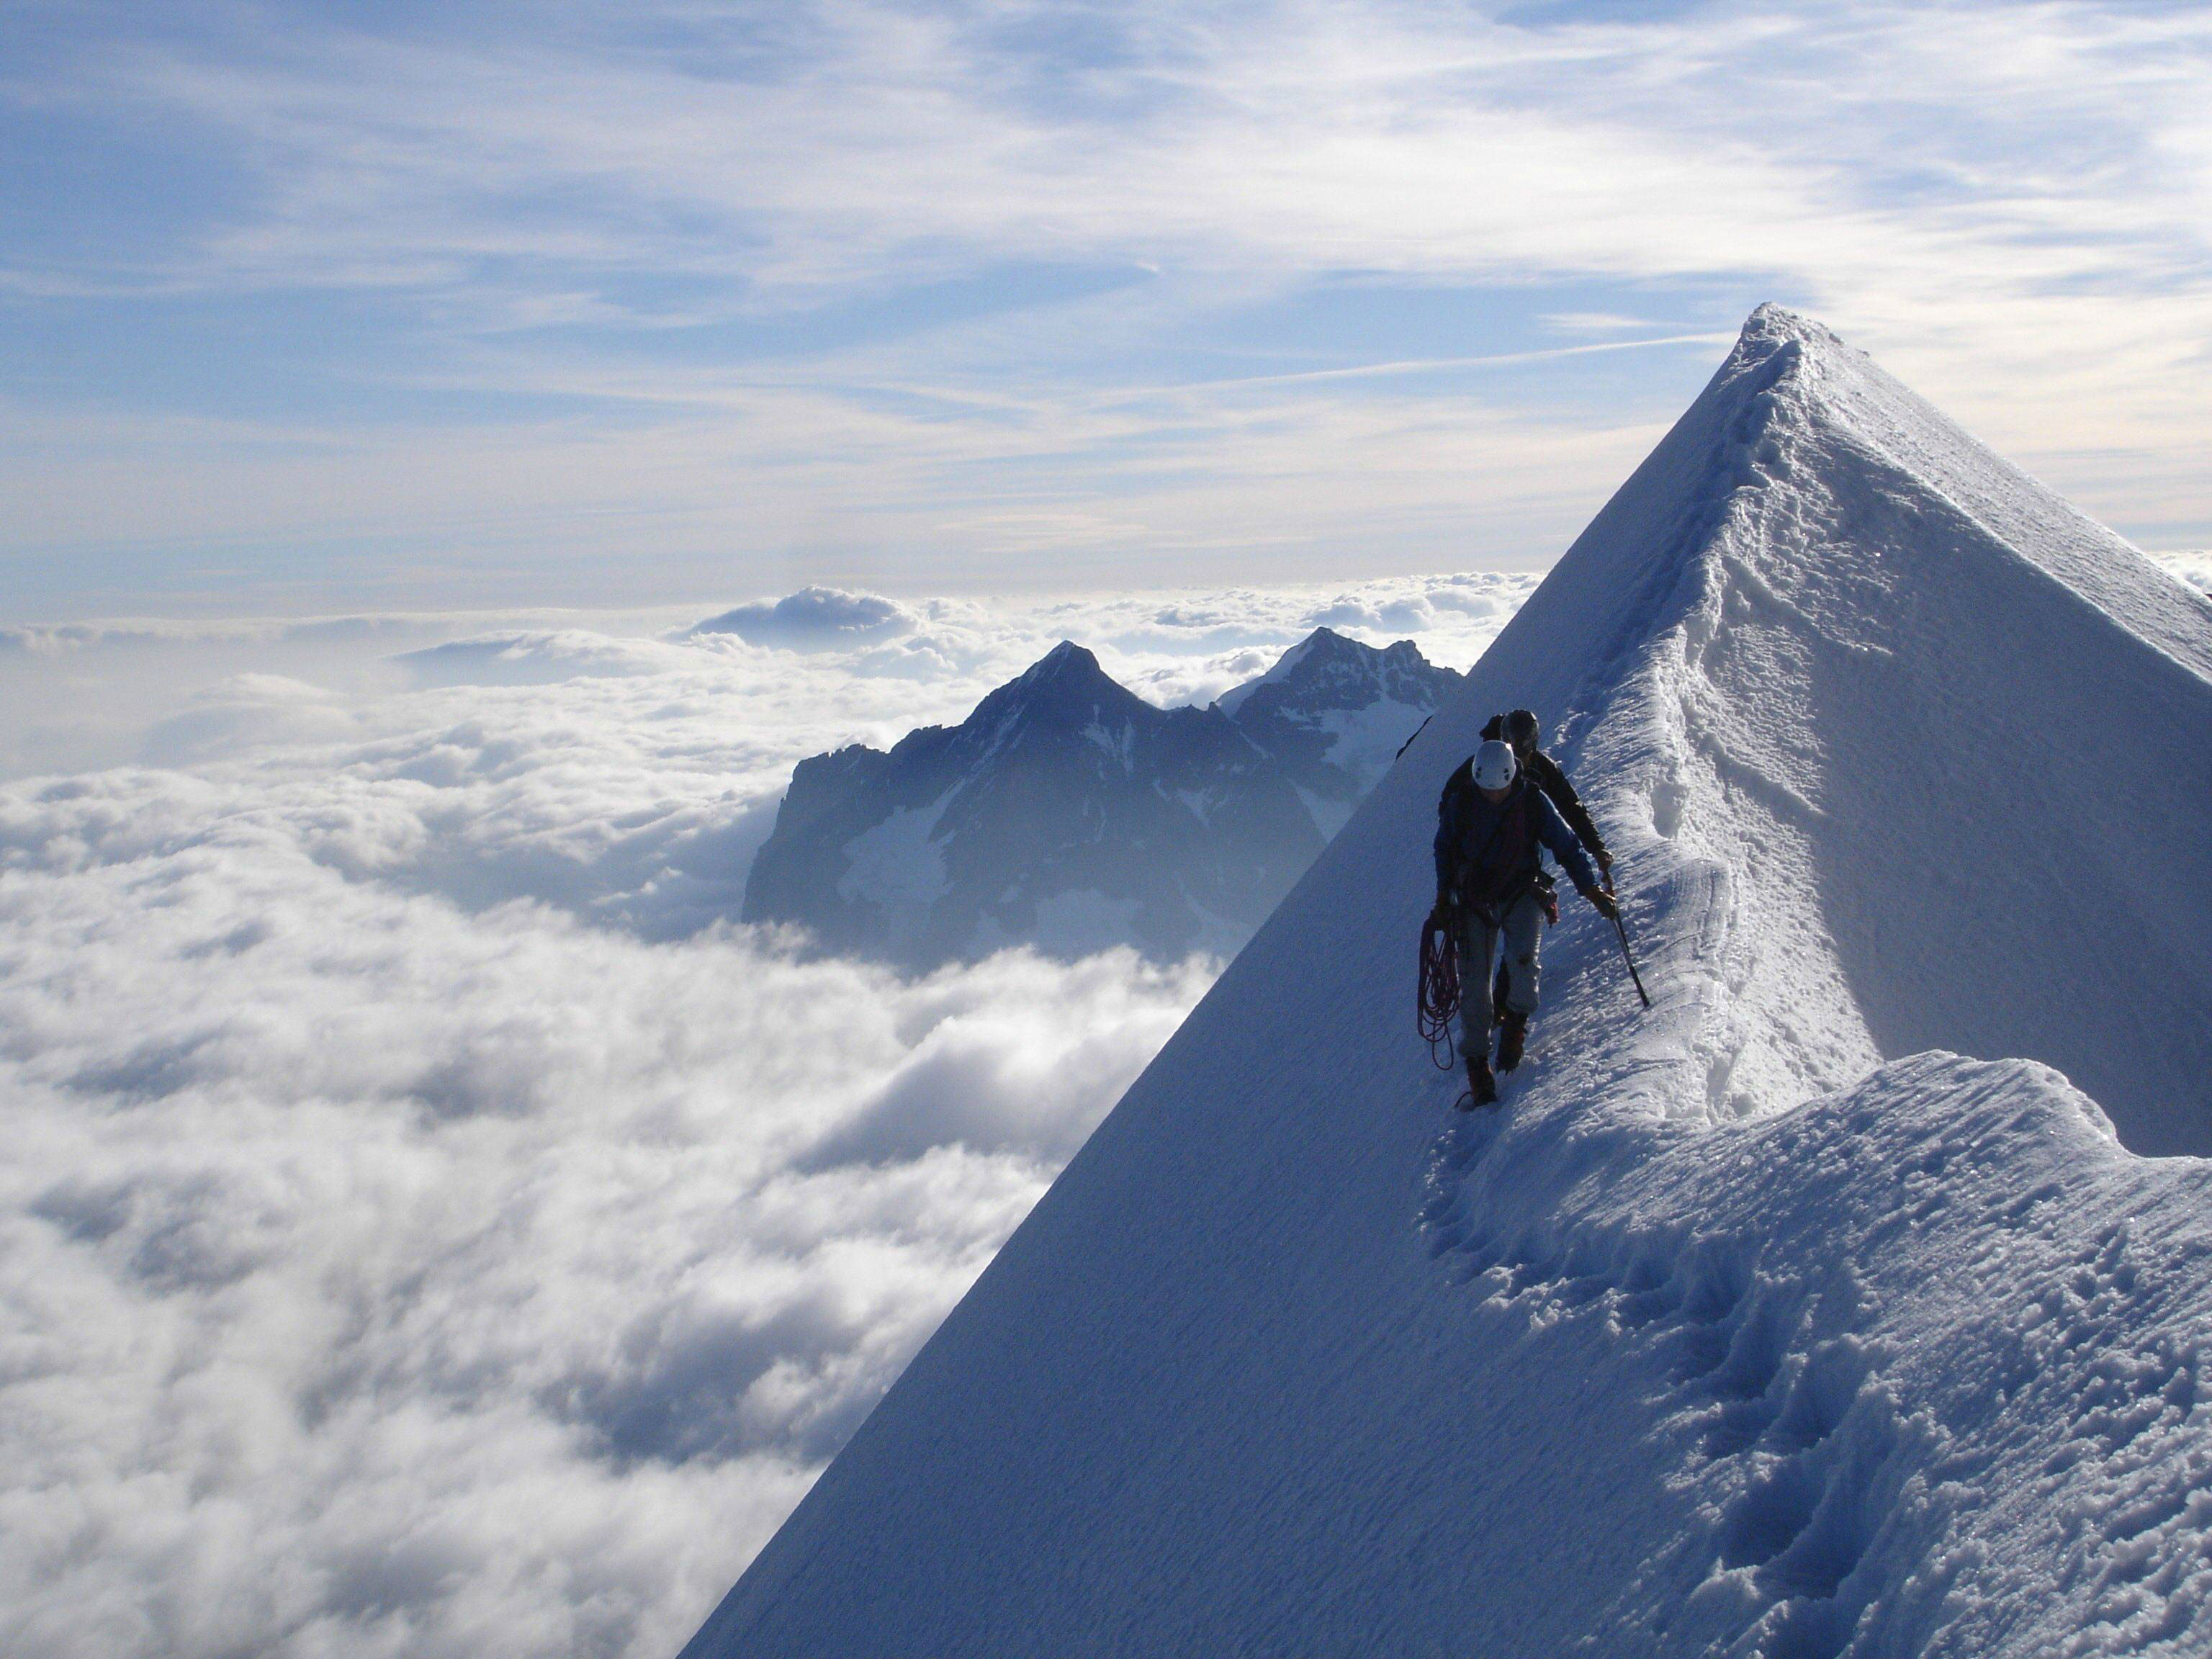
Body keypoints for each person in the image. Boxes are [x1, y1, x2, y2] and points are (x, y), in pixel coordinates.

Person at [1432, 737, 1615, 1107]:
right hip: (1475, 900)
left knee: (1524, 964)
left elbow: (1567, 846)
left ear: (1510, 777)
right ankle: (1478, 1062)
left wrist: (1592, 890)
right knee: (1474, 982)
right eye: (1487, 789)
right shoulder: (1464, 803)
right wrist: (1443, 899)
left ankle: (1514, 1025)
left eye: (1498, 790)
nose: (1493, 796)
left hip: (1519, 892)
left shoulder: (1532, 801)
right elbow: (1444, 850)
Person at [1480, 708, 1612, 890]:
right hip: (1483, 861)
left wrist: (1597, 847)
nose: (1516, 763)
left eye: (1521, 754)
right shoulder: (1537, 769)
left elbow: (1571, 808)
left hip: (1514, 861)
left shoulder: (1539, 770)